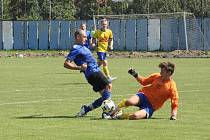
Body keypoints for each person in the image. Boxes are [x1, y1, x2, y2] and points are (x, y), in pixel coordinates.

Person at [64, 29, 113, 117]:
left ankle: (86, 109)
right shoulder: (76, 48)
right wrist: (79, 67)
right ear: (78, 37)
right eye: (84, 37)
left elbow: (91, 62)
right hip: (92, 74)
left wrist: (100, 62)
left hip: (95, 71)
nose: (86, 39)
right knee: (108, 85)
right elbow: (66, 64)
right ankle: (107, 112)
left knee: (104, 97)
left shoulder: (84, 47)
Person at [112, 62, 178, 120]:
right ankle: (115, 108)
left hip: (151, 107)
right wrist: (135, 74)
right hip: (143, 96)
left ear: (169, 73)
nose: (160, 72)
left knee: (135, 116)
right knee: (130, 102)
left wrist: (173, 115)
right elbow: (144, 81)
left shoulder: (172, 86)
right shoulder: (156, 76)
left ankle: (119, 115)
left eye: (162, 71)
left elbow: (174, 102)